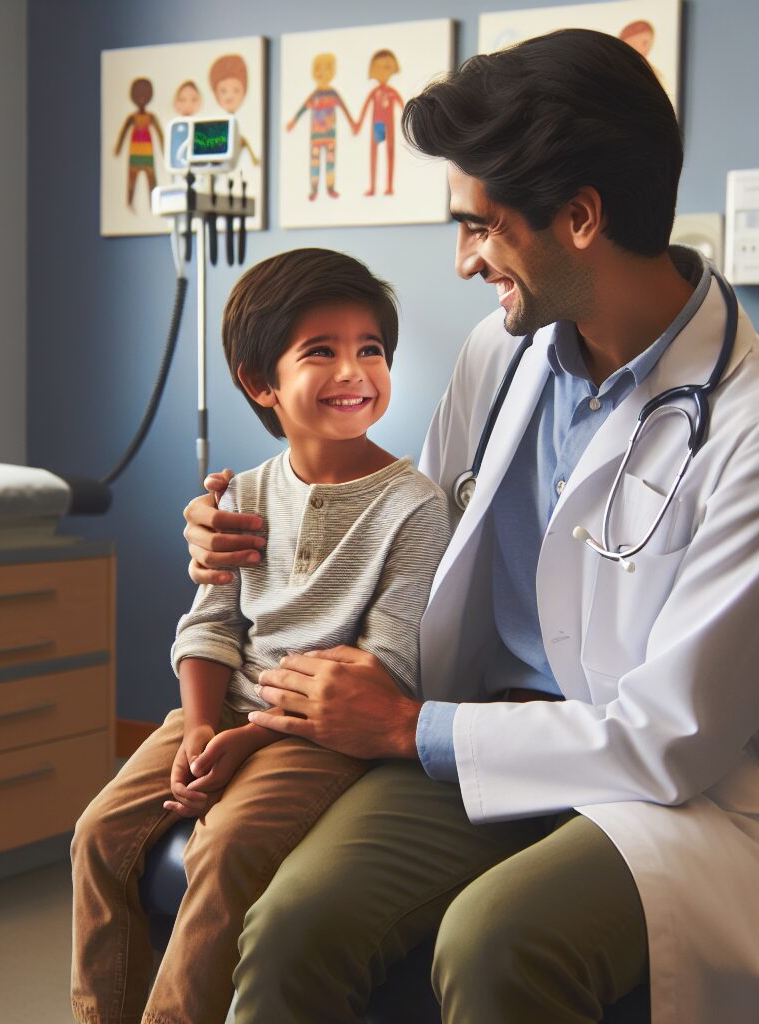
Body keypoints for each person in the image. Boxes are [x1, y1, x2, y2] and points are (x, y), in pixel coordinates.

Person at [183, 29, 759, 1024]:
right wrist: (248, 532)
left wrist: (411, 726)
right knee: (290, 924)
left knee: (497, 939)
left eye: (479, 228)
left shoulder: (743, 419)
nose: (460, 263)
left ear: (579, 217)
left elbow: (671, 738)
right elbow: (411, 525)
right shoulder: (506, 353)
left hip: (669, 788)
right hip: (482, 727)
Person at [71, 249, 451, 1024]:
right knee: (98, 834)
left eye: (370, 350)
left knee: (226, 846)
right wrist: (205, 724)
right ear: (260, 382)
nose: (354, 371)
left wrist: (249, 743)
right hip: (224, 709)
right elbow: (210, 625)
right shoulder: (241, 495)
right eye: (323, 351)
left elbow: (386, 662)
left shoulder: (414, 507)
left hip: (321, 733)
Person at [286, 53, 356, 200]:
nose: (322, 73)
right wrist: (293, 121)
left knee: (330, 162)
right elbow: (304, 107)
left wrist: (352, 123)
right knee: (315, 163)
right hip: (316, 136)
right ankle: (314, 189)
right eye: (318, 69)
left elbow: (344, 108)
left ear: (332, 72)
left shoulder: (333, 93)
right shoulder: (315, 95)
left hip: (330, 134)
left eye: (326, 69)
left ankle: (330, 188)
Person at [353, 48, 405, 196]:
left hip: (389, 126)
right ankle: (373, 186)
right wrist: (358, 124)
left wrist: (409, 123)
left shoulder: (392, 92)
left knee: (389, 153)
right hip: (377, 126)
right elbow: (364, 109)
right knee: (374, 154)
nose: (382, 72)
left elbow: (404, 108)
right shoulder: (374, 93)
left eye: (387, 67)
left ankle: (389, 186)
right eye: (378, 68)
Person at [113, 77, 164, 209]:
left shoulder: (151, 117)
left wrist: (165, 150)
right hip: (135, 153)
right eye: (138, 95)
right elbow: (123, 132)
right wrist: (118, 149)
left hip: (147, 153)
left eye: (145, 95)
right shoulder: (132, 117)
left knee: (152, 181)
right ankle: (129, 205)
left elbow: (160, 134)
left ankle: (155, 205)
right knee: (131, 181)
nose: (141, 98)